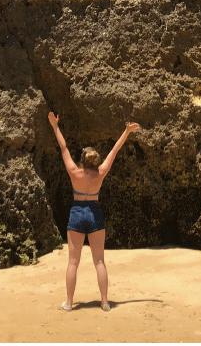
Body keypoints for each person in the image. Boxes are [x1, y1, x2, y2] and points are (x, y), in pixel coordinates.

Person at [47, 111, 140, 312]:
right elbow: (114, 151)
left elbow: (63, 147)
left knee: (73, 262)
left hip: (77, 211)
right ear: (94, 161)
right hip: (94, 211)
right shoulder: (101, 172)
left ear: (82, 159)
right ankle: (105, 302)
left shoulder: (74, 172)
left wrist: (55, 127)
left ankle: (69, 303)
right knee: (99, 260)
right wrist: (126, 132)